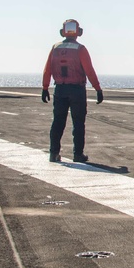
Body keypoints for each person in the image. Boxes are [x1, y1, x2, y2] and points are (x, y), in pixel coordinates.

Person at [42, 19, 103, 163]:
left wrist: (45, 87)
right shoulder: (80, 49)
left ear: (63, 31)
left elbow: (47, 69)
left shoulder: (55, 48)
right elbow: (89, 71)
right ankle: (78, 154)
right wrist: (98, 89)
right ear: (78, 32)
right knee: (78, 123)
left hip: (60, 89)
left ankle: (53, 153)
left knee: (57, 122)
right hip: (77, 90)